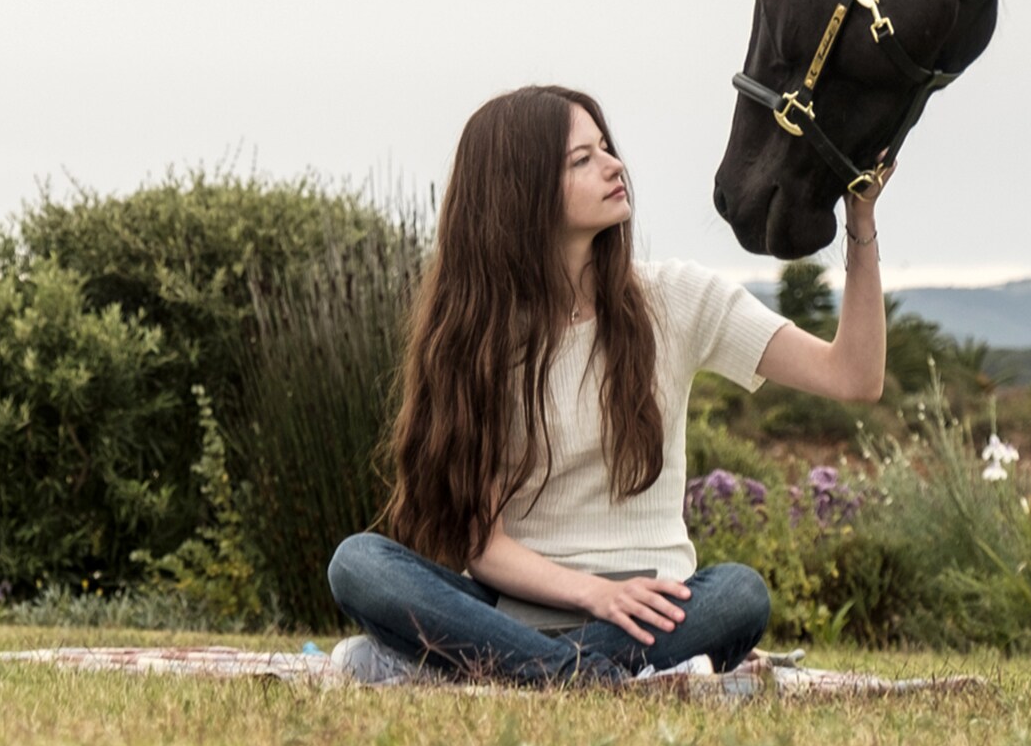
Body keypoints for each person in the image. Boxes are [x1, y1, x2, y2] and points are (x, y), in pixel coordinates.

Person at [326, 84, 889, 685]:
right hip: (510, 611)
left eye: (605, 147)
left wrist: (860, 220)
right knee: (359, 564)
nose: (614, 165)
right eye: (582, 159)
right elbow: (479, 543)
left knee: (737, 596)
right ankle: (585, 677)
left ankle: (485, 669)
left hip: (650, 615)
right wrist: (593, 594)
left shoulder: (677, 298)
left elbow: (852, 376)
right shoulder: (479, 335)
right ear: (522, 190)